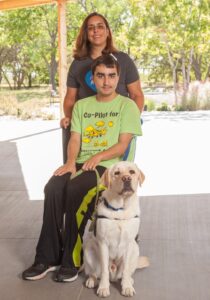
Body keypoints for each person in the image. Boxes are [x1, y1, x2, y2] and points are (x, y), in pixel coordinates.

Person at [22, 54, 142, 283]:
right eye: (101, 76)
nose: (106, 81)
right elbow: (75, 139)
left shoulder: (127, 106)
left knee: (76, 189)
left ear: (118, 77)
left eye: (111, 76)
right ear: (92, 79)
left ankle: (72, 259)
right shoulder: (81, 106)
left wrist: (97, 158)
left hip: (106, 167)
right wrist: (69, 163)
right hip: (80, 163)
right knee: (53, 188)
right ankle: (47, 257)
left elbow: (122, 145)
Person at [61, 12, 144, 162]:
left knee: (118, 176)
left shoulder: (123, 60)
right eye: (90, 28)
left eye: (100, 26)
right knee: (78, 172)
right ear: (85, 33)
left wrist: (130, 120)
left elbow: (137, 95)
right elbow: (70, 98)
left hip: (117, 123)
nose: (96, 31)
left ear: (107, 31)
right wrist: (71, 118)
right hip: (88, 126)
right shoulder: (77, 64)